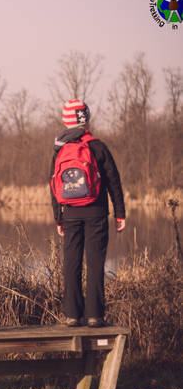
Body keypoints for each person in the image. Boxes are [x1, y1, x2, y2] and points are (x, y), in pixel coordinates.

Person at [50, 100, 125, 327]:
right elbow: (113, 180)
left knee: (71, 263)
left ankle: (72, 315)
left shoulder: (60, 148)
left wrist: (59, 218)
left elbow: (53, 184)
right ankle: (94, 316)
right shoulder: (98, 146)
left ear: (66, 120)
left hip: (70, 213)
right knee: (95, 263)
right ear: (86, 119)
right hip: (97, 212)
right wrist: (119, 213)